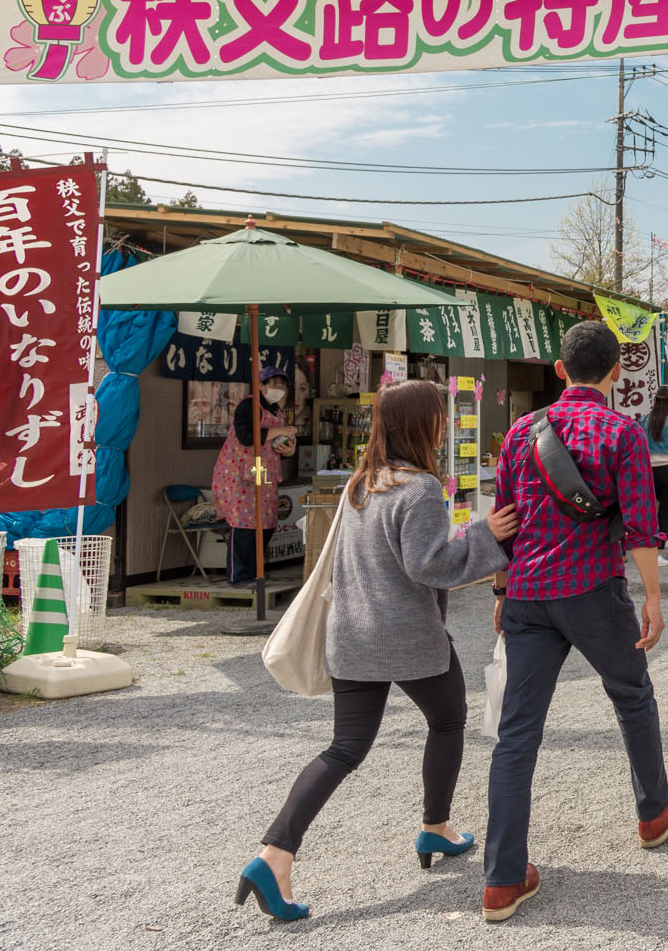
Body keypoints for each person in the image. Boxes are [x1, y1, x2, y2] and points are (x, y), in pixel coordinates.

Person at [236, 380, 520, 922]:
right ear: (424, 425)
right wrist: (486, 536)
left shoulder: (361, 485)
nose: (442, 425)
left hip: (352, 635)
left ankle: (274, 854)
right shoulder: (420, 489)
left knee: (344, 749)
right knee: (449, 719)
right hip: (409, 639)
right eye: (438, 416)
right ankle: (435, 826)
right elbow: (429, 564)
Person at [484, 322, 668, 923]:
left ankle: (501, 879)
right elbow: (640, 524)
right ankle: (654, 810)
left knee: (517, 733)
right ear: (614, 375)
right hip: (593, 591)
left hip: (527, 594)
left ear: (558, 369)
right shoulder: (622, 431)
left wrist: (501, 591)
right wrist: (652, 596)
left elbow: (505, 518)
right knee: (631, 693)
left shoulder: (522, 432)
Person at [213, 366, 299, 586]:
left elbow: (275, 446)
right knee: (245, 523)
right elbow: (246, 436)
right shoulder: (248, 405)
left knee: (267, 521)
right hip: (240, 471)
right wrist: (280, 432)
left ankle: (255, 571)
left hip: (263, 471)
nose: (278, 390)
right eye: (273, 384)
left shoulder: (276, 410)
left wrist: (288, 451)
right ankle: (239, 575)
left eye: (282, 386)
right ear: (261, 386)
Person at [639, 385, 668, 566]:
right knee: (667, 508)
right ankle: (657, 549)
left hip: (649, 469)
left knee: (661, 508)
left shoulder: (643, 420)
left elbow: (640, 446)